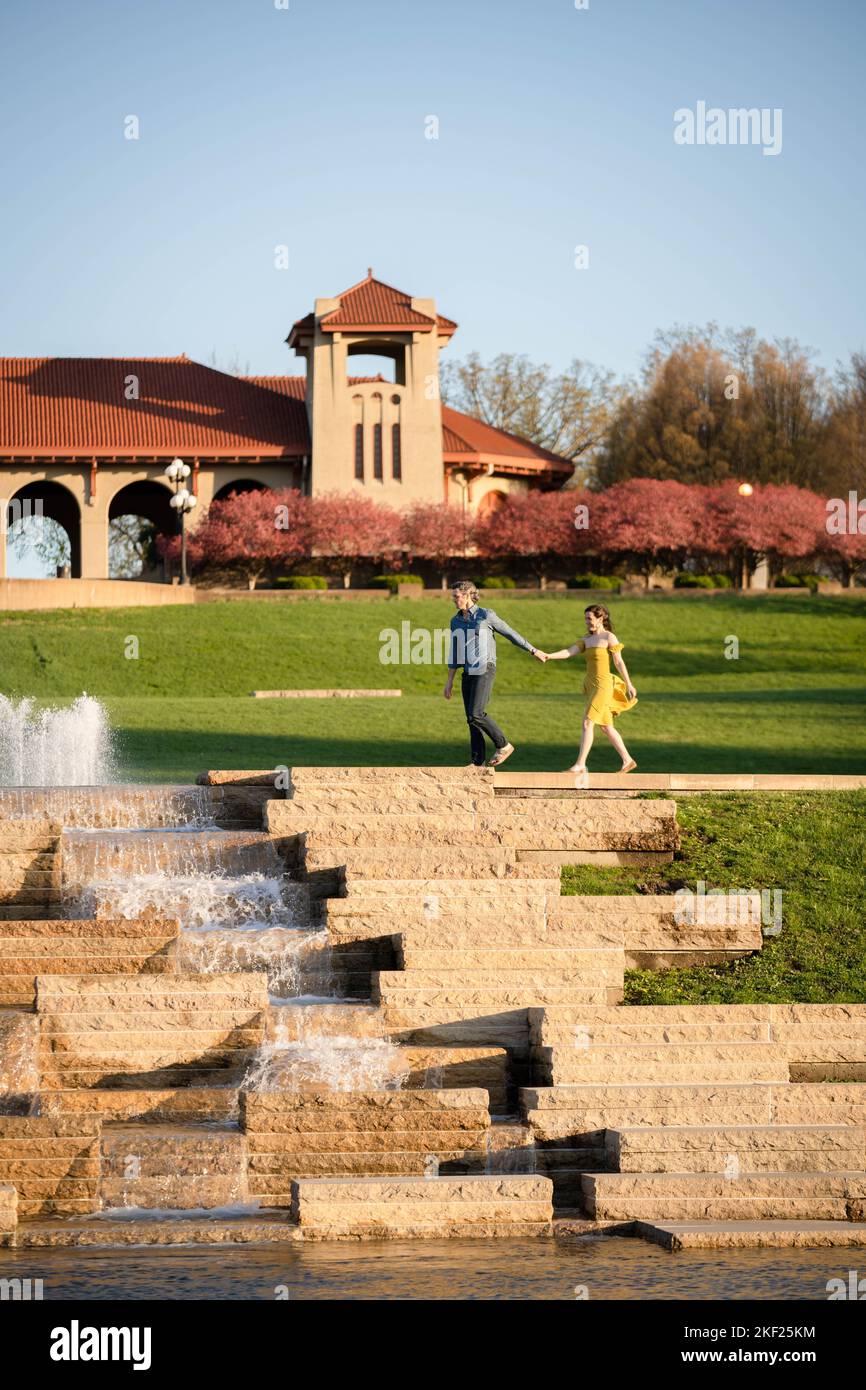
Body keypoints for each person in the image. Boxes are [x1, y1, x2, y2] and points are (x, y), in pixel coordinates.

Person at [443, 580, 547, 767]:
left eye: (456, 596)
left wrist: (534, 650)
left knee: (476, 713)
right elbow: (455, 651)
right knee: (471, 719)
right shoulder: (455, 620)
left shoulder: (486, 615)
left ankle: (504, 745)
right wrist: (449, 680)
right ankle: (477, 763)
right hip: (468, 672)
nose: (453, 599)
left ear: (467, 595)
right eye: (453, 596)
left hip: (484, 668)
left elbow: (510, 634)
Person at [536, 604, 637, 783]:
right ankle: (628, 760)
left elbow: (619, 662)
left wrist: (629, 683)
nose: (587, 622)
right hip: (590, 686)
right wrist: (549, 656)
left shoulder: (609, 637)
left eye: (590, 618)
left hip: (604, 685)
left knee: (587, 722)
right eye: (585, 619)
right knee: (606, 727)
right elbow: (568, 652)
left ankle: (580, 764)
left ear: (600, 618)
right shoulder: (586, 640)